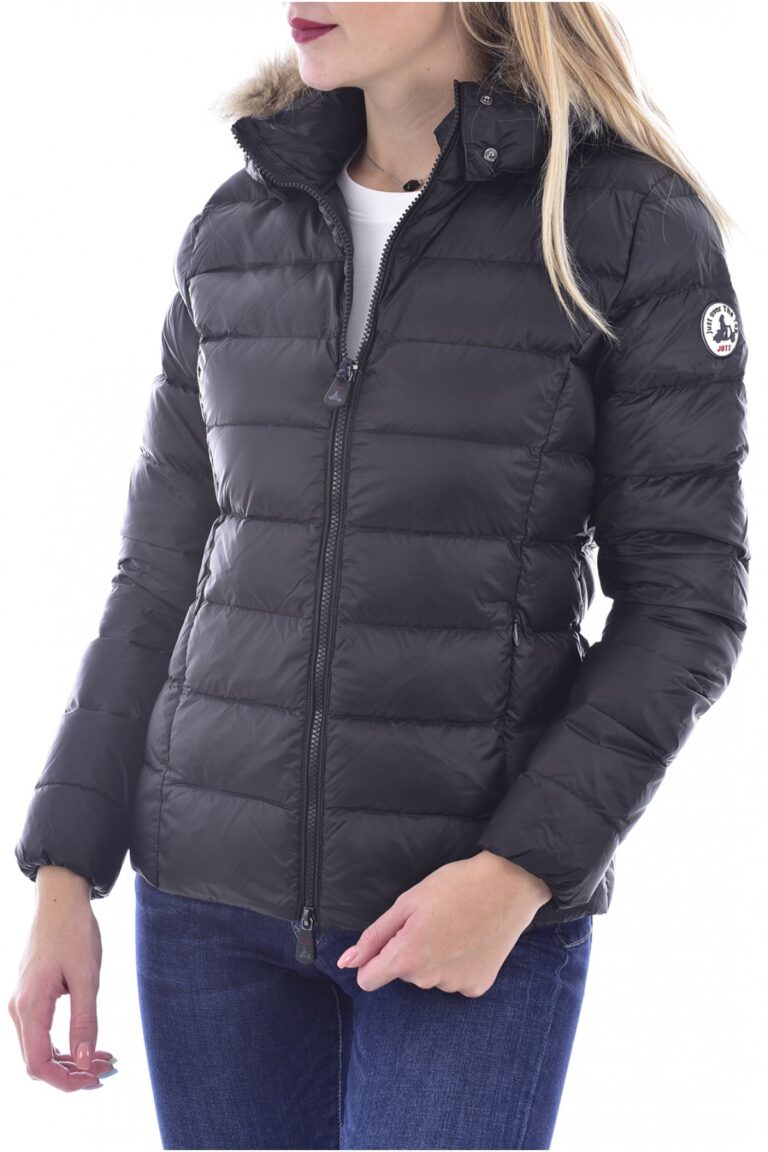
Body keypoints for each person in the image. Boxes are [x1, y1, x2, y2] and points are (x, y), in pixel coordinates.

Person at [9, 2, 750, 1148]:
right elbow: (158, 577)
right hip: (207, 908)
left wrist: (517, 872)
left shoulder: (623, 228)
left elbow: (686, 605)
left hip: (460, 915)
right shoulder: (239, 227)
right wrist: (66, 871)